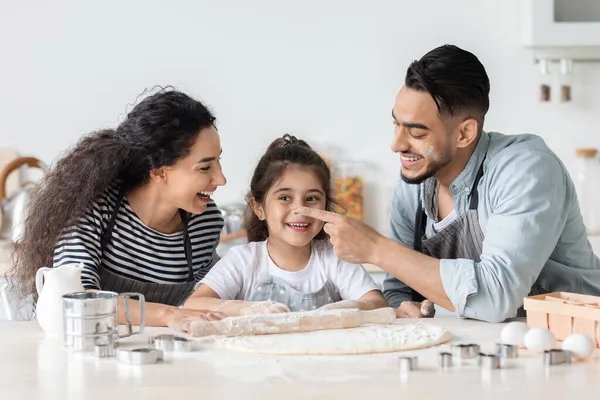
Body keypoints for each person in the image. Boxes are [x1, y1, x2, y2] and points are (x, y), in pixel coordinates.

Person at [295, 45, 600, 323]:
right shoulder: (413, 187)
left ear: (465, 133)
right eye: (396, 125)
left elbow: (497, 297)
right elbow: (400, 291)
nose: (396, 144)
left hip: (574, 339)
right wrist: (403, 307)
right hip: (484, 346)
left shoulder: (526, 170)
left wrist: (375, 248)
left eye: (416, 133)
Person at [10, 89, 228, 327]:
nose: (221, 179)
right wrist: (168, 315)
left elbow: (204, 300)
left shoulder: (204, 221)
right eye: (205, 168)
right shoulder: (97, 206)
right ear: (158, 171)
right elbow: (78, 299)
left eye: (219, 161)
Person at [184, 135, 388, 315]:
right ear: (258, 207)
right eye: (285, 197)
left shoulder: (335, 259)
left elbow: (377, 304)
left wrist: (352, 308)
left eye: (311, 198)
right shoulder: (244, 260)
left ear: (326, 204)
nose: (300, 209)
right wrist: (244, 308)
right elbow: (194, 304)